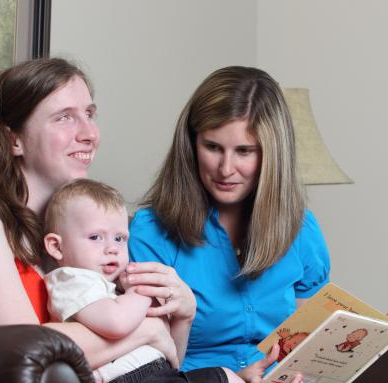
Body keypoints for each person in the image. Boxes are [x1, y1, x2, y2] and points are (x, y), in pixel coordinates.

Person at [0, 57, 192, 374]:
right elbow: (22, 350)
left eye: (89, 114)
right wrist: (143, 329)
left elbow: (159, 363)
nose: (89, 134)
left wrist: (182, 314)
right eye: (65, 118)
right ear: (13, 139)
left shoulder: (76, 236)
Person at [125, 66, 330, 382]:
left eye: (244, 151)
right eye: (213, 147)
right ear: (191, 144)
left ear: (271, 156)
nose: (225, 168)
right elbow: (152, 362)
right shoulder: (151, 231)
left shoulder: (300, 227)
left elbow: (310, 346)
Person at [42, 178, 240, 383]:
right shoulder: (71, 280)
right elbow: (117, 323)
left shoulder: (112, 289)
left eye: (119, 238)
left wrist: (175, 315)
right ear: (57, 247)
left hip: (157, 373)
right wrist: (141, 291)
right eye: (95, 237)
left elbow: (170, 354)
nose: (112, 248)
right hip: (127, 379)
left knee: (227, 376)